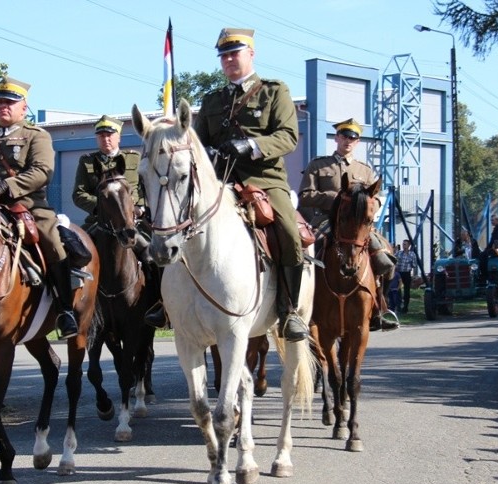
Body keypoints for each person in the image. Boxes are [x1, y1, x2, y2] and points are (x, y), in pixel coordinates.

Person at [193, 28, 308, 341]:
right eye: (224, 55)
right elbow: (197, 144)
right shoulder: (212, 100)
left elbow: (288, 136)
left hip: (264, 181)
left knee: (287, 231)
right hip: (220, 182)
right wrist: (208, 154)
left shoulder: (274, 91)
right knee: (176, 225)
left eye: (235, 53)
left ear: (251, 54)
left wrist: (251, 146)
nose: (229, 60)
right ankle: (168, 303)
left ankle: (289, 311)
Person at [0, 76, 79, 339]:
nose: (3, 106)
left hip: (28, 206)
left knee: (52, 241)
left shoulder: (35, 136)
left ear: (23, 108)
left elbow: (43, 171)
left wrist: (7, 186)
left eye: (9, 102)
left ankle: (65, 310)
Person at [298, 117, 398, 331]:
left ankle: (381, 307)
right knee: (307, 255)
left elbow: (377, 197)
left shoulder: (365, 170)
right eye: (344, 136)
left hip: (359, 226)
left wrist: (373, 203)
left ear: (358, 141)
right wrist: (334, 197)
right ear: (337, 138)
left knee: (385, 257)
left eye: (353, 138)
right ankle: (298, 305)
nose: (348, 141)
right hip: (326, 220)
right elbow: (305, 195)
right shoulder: (319, 165)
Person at [72, 114, 165, 328]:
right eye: (101, 135)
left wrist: (139, 207)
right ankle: (74, 307)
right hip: (99, 222)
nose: (105, 139)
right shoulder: (87, 161)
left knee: (154, 255)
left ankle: (160, 305)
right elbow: (78, 194)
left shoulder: (134, 158)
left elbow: (145, 188)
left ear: (119, 137)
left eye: (110, 135)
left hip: (133, 222)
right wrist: (102, 207)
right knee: (78, 256)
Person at [479, 214, 498, 285]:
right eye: (491, 220)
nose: (491, 222)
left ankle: (484, 275)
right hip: (496, 248)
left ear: (497, 220)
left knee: (482, 257)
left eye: (492, 220)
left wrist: (489, 249)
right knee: (483, 254)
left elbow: (495, 241)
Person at [396, 239, 418, 314]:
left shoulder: (412, 254)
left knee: (406, 291)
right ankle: (398, 306)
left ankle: (405, 307)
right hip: (399, 273)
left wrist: (410, 264)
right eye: (403, 244)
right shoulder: (399, 253)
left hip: (407, 273)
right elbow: (394, 260)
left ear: (409, 245)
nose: (403, 245)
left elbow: (414, 265)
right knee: (397, 289)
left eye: (405, 244)